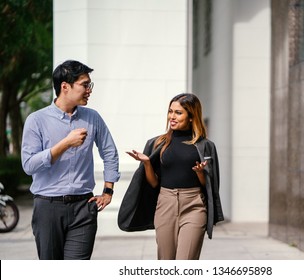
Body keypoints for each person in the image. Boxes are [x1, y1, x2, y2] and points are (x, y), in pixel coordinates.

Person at [21, 60, 120, 260]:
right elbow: (28, 165)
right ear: (65, 86)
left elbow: (109, 152)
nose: (89, 90)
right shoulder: (36, 120)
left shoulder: (93, 118)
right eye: (85, 84)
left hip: (84, 207)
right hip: (48, 208)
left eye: (89, 85)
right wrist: (65, 144)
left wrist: (108, 191)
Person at [124, 93, 224, 260]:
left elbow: (209, 185)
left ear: (192, 116)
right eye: (170, 111)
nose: (172, 116)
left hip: (194, 205)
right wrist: (147, 163)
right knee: (166, 260)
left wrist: (200, 173)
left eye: (178, 113)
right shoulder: (157, 143)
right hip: (166, 203)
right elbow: (154, 183)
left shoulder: (206, 146)